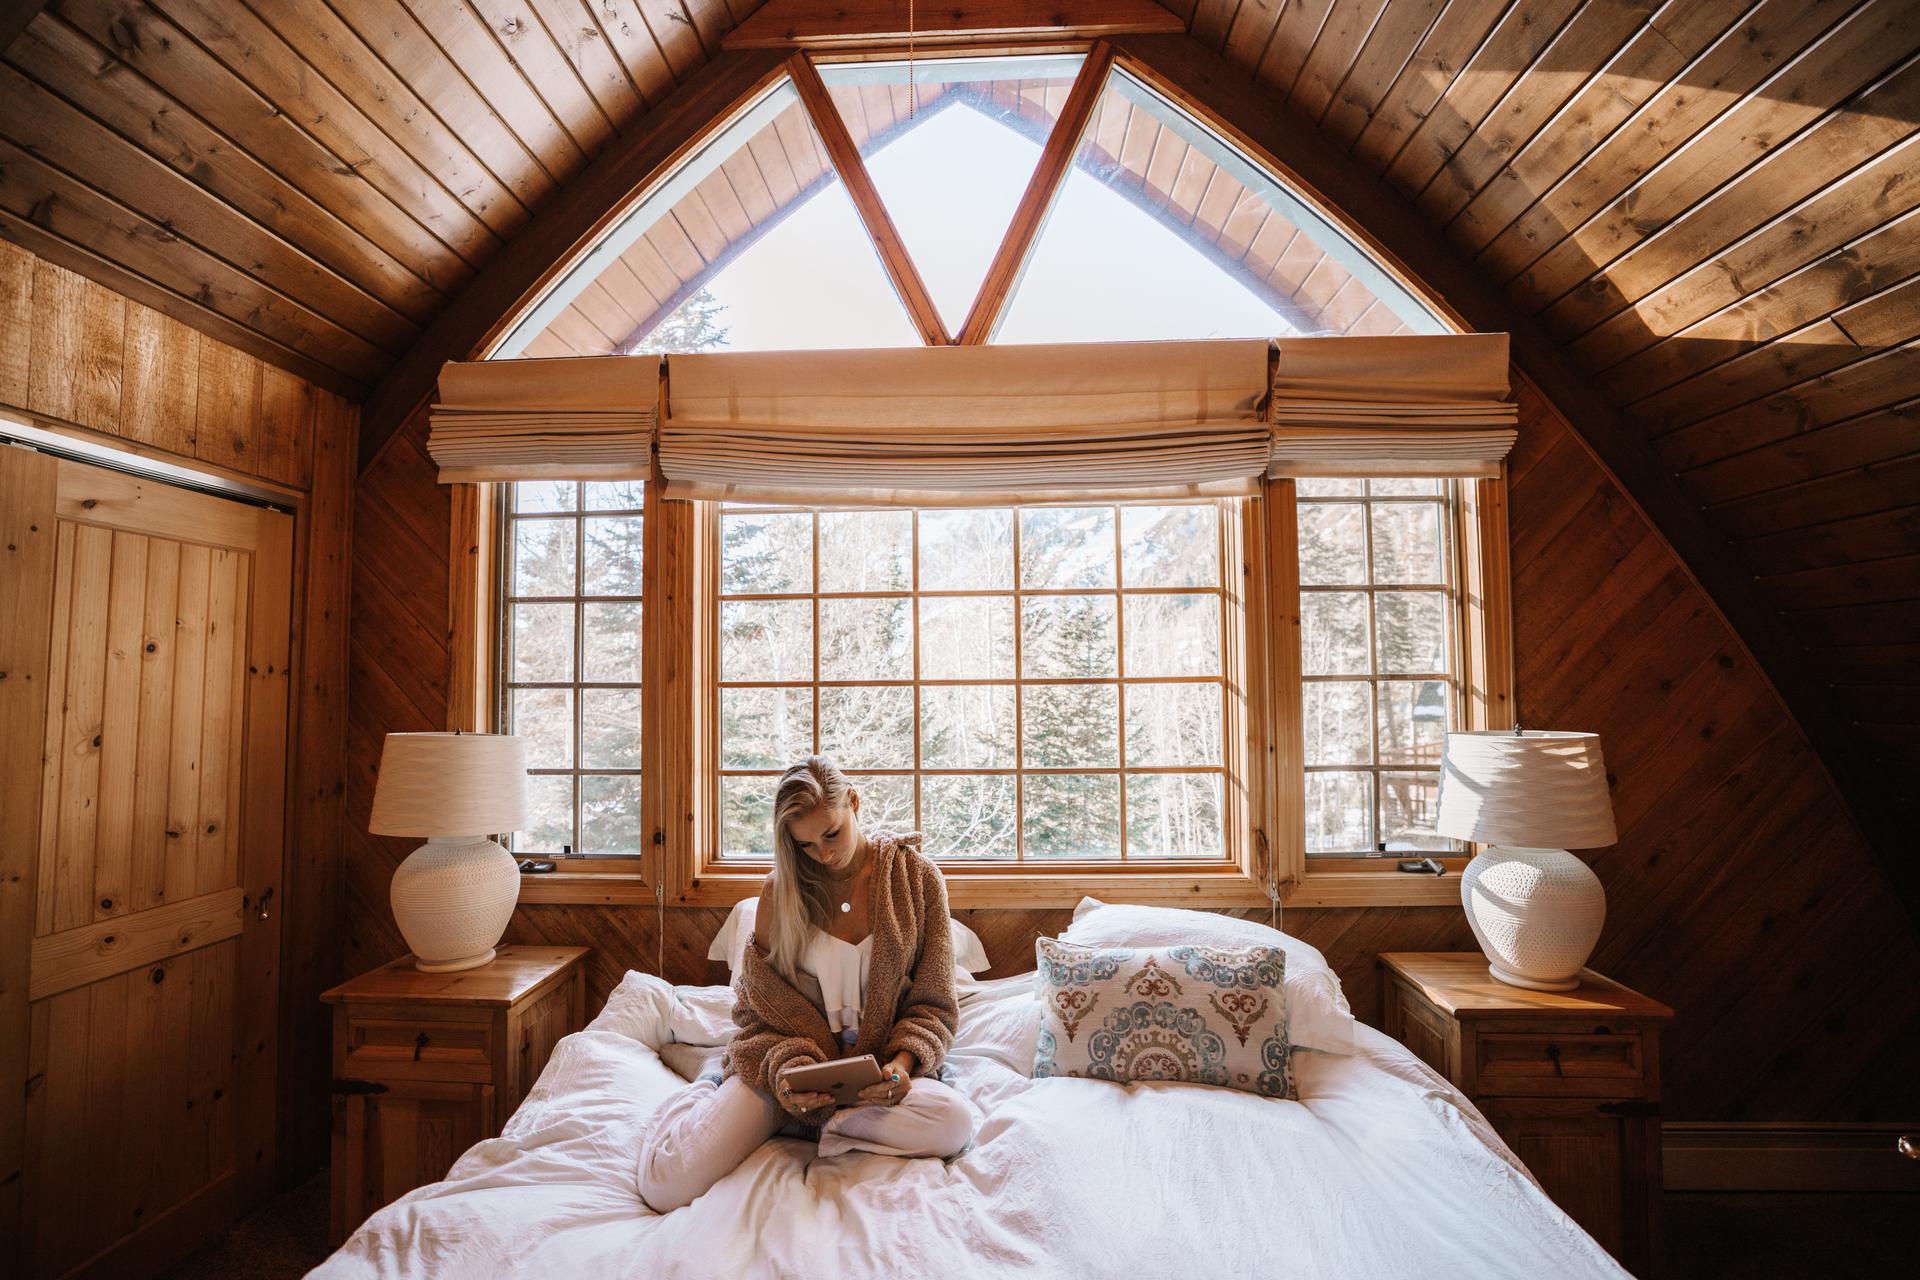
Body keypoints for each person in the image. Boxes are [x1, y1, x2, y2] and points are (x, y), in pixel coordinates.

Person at [635, 755, 977, 1212]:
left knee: (953, 1124)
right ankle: (712, 1083)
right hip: (788, 1074)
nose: (824, 853)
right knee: (666, 1184)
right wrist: (786, 1081)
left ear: (854, 802)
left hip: (878, 1080)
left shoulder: (916, 880)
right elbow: (758, 1009)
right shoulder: (780, 893)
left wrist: (900, 1065)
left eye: (831, 833)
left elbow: (934, 1002)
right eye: (807, 845)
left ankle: (822, 1126)